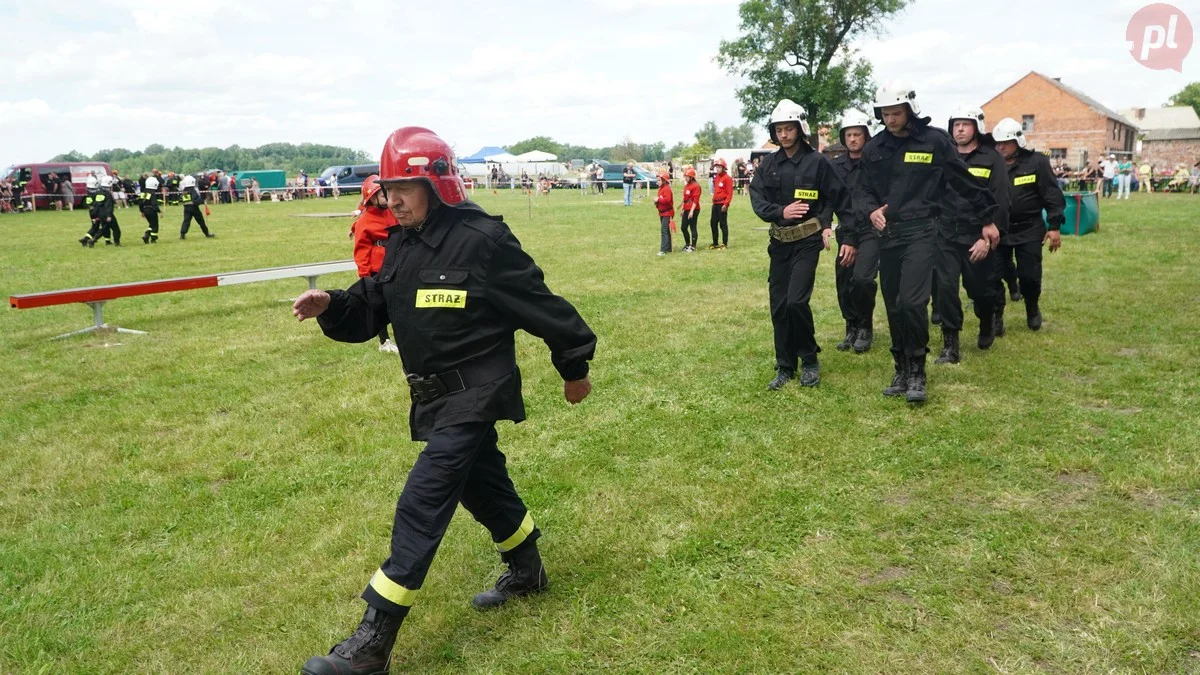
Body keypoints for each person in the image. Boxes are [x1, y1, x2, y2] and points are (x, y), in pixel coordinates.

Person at [293, 126, 596, 675]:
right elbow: (374, 302)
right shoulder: (403, 240)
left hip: (478, 390)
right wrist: (331, 303)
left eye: (404, 187)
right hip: (434, 398)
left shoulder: (482, 240)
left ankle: (371, 644)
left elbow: (541, 304)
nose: (392, 199)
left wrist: (573, 366)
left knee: (422, 500)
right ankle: (527, 570)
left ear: (436, 183)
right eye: (386, 187)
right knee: (483, 486)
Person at [856, 82, 995, 403]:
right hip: (887, 235)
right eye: (885, 114)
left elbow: (963, 179)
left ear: (909, 110)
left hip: (923, 232)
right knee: (893, 304)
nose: (890, 119)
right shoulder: (874, 148)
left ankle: (918, 370)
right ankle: (900, 368)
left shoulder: (934, 142)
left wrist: (987, 218)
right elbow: (861, 189)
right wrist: (871, 210)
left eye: (896, 112)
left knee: (912, 302)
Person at [750, 99, 853, 390]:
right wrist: (779, 212)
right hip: (780, 244)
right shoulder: (768, 165)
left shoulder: (818, 162)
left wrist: (838, 229)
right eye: (779, 129)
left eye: (788, 129)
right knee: (779, 306)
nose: (783, 135)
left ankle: (809, 359)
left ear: (800, 129)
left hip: (807, 243)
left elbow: (839, 196)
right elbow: (758, 199)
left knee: (796, 302)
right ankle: (785, 366)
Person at [932, 105, 1007, 365]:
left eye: (966, 124)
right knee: (946, 289)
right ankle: (950, 344)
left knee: (980, 290)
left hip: (977, 237)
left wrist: (986, 238)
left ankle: (987, 320)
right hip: (946, 236)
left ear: (977, 127)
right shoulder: (944, 158)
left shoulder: (991, 159)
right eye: (956, 124)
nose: (960, 129)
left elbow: (1000, 200)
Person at [990, 118, 1066, 333]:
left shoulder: (1037, 162)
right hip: (998, 229)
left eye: (1005, 142)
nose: (1000, 147)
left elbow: (1052, 194)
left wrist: (1054, 226)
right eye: (997, 143)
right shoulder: (990, 163)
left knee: (1030, 276)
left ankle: (1032, 307)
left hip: (1029, 229)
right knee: (994, 275)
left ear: (1018, 141)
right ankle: (996, 317)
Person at [829, 110, 873, 352]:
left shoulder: (876, 164)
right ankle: (851, 326)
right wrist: (824, 225)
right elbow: (828, 198)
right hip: (846, 232)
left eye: (857, 134)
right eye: (848, 134)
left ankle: (866, 326)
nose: (853, 139)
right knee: (844, 281)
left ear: (866, 136)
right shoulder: (835, 167)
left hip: (870, 232)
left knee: (863, 278)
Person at [348, 175, 399, 352]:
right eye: (383, 194)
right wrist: (364, 274)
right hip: (377, 269)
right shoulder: (365, 221)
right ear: (373, 197)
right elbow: (361, 250)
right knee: (379, 306)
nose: (388, 197)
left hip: (395, 264)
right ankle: (384, 341)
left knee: (398, 303)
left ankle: (402, 336)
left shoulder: (393, 213)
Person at [179, 175, 215, 239]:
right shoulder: (193, 190)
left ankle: (182, 234)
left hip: (186, 208)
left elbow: (182, 199)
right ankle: (207, 233)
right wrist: (202, 201)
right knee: (201, 221)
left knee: (186, 221)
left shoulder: (184, 190)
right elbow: (195, 199)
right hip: (194, 208)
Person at [708, 158, 733, 249]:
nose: (717, 169)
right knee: (713, 223)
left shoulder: (727, 178)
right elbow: (716, 191)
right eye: (716, 167)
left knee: (723, 224)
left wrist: (726, 204)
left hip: (722, 204)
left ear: (723, 168)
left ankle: (724, 243)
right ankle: (715, 242)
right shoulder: (717, 177)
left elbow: (729, 193)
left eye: (719, 167)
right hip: (716, 204)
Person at [679, 167, 701, 252]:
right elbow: (685, 198)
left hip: (694, 208)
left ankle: (693, 246)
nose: (685, 177)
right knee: (683, 227)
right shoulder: (686, 186)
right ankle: (687, 244)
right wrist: (682, 209)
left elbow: (696, 199)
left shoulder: (696, 186)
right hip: (687, 208)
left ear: (692, 177)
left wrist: (692, 211)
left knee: (693, 227)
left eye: (687, 176)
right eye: (685, 176)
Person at [78, 175, 103, 247]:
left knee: (94, 227)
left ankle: (85, 238)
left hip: (92, 212)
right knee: (105, 227)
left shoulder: (88, 194)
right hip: (98, 211)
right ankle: (93, 239)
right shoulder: (97, 193)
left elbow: (89, 204)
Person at [654, 170, 674, 256]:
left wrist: (658, 200)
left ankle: (663, 249)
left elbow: (667, 200)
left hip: (667, 212)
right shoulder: (661, 189)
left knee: (664, 231)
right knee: (666, 231)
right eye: (657, 180)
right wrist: (657, 203)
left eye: (659, 180)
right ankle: (668, 248)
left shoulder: (667, 189)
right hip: (662, 212)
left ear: (664, 181)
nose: (657, 182)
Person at [138, 175, 164, 244]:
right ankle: (153, 239)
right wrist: (159, 211)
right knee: (155, 225)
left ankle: (146, 234)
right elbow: (154, 204)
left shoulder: (143, 192)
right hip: (151, 210)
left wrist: (142, 211)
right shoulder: (152, 193)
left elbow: (140, 203)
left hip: (145, 210)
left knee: (151, 224)